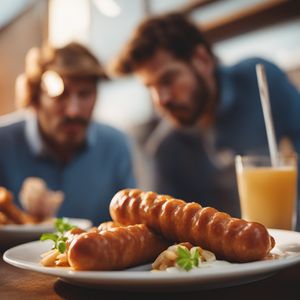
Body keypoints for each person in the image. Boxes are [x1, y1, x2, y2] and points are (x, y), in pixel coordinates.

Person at [110, 12, 300, 220]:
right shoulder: (165, 151)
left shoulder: (260, 83)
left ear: (203, 60)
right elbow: (164, 232)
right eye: (150, 88)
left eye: (168, 80)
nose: (160, 99)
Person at [0, 42, 136, 225]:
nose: (73, 111)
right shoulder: (3, 143)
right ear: (34, 97)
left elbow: (131, 223)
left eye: (84, 94)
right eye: (60, 95)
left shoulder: (115, 145)